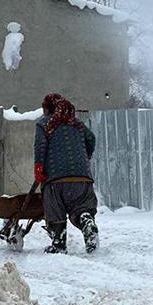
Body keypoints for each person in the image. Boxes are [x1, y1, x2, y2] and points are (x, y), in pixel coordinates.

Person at [34, 93, 98, 254]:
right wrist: (85, 157)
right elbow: (91, 139)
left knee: (55, 208)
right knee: (82, 206)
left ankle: (58, 243)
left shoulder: (44, 123)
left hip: (57, 178)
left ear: (49, 108)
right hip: (82, 177)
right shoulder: (77, 124)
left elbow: (40, 146)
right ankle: (86, 222)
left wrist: (39, 167)